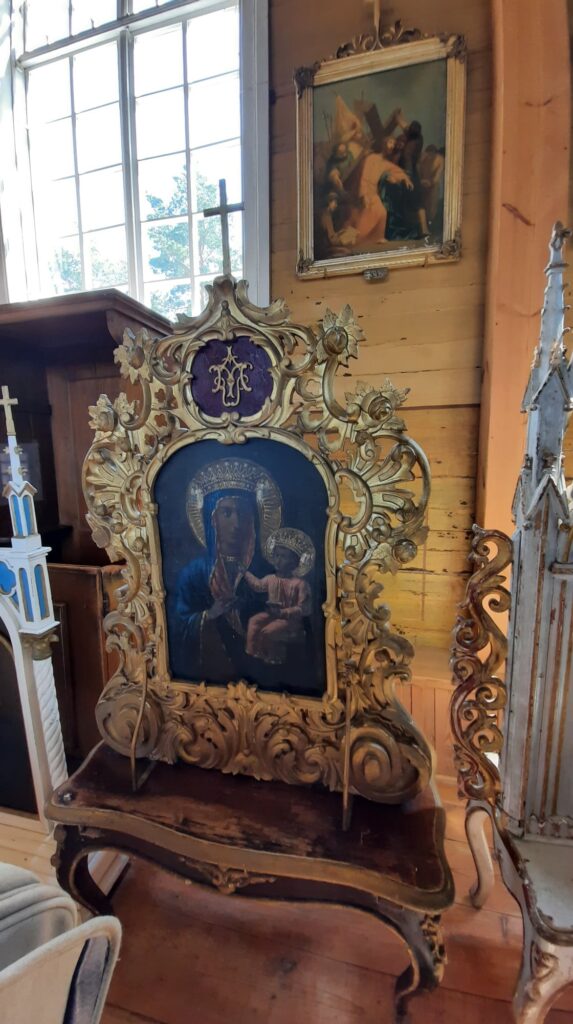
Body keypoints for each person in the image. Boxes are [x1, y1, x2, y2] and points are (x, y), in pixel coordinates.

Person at [174, 488, 266, 682]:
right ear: (212, 519)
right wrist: (209, 615)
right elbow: (178, 625)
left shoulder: (266, 570)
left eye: (242, 513)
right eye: (227, 513)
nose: (237, 523)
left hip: (263, 676)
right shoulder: (194, 573)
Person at [244, 529, 314, 666]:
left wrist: (283, 612)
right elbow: (258, 585)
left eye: (283, 557)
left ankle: (271, 659)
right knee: (254, 621)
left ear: (294, 561)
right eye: (276, 556)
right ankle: (252, 655)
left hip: (290, 621)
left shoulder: (300, 584)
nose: (278, 560)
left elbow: (304, 609)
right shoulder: (271, 578)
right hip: (272, 615)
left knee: (267, 632)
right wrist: (245, 573)